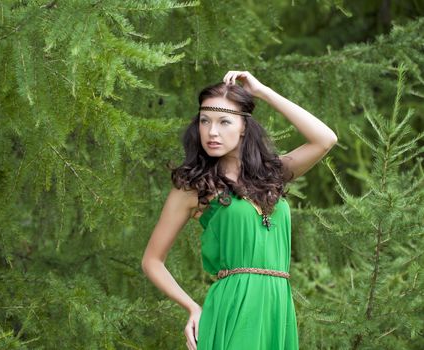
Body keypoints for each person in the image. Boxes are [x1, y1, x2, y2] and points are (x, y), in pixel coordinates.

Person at [141, 70, 338, 350]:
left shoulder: (273, 175)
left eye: (224, 122)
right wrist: (192, 308)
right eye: (205, 121)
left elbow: (325, 139)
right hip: (232, 308)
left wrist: (263, 92)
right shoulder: (195, 188)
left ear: (244, 126)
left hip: (277, 308)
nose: (212, 132)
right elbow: (152, 260)